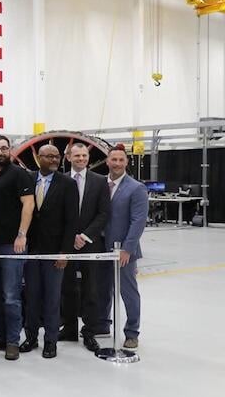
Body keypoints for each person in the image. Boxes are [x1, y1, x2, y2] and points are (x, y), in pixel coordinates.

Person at [19, 145, 78, 359]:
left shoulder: (68, 184)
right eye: (49, 156)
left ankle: (50, 341)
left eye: (57, 156)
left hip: (55, 252)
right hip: (31, 251)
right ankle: (31, 337)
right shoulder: (28, 179)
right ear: (38, 158)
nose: (54, 159)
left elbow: (72, 221)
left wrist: (64, 252)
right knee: (31, 296)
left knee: (52, 299)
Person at [0, 135, 35, 360]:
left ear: (10, 150)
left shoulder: (20, 175)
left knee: (11, 295)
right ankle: (0, 337)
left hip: (11, 246)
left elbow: (28, 204)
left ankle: (13, 341)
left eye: (3, 148)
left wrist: (22, 235)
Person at [59, 143, 109, 352]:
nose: (81, 158)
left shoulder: (100, 182)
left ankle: (89, 331)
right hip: (65, 244)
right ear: (69, 157)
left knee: (91, 289)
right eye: (77, 155)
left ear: (88, 158)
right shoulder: (61, 181)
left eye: (84, 155)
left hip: (90, 244)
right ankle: (69, 328)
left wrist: (85, 236)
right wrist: (69, 238)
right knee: (67, 287)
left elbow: (103, 214)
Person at [100, 146, 147, 350]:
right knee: (104, 289)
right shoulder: (101, 184)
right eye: (114, 160)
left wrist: (127, 249)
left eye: (121, 160)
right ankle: (103, 324)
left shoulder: (136, 188)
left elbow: (138, 221)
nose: (117, 163)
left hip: (124, 251)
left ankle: (132, 332)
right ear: (107, 162)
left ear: (126, 162)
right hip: (101, 248)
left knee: (128, 292)